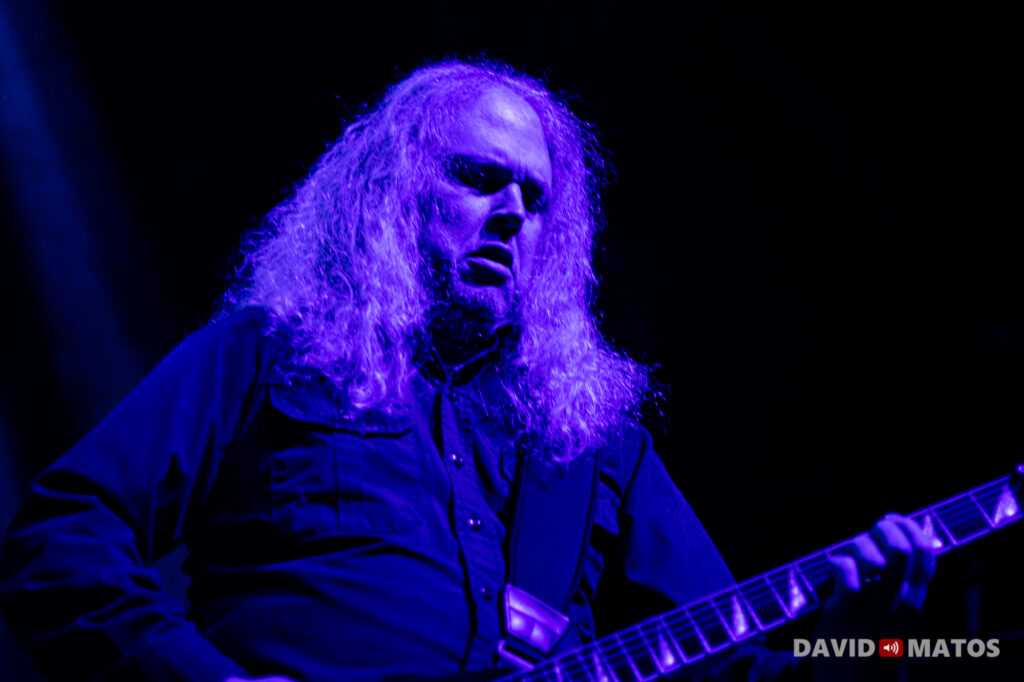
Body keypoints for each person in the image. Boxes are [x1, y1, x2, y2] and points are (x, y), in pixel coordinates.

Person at [0, 59, 935, 682]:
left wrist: (864, 646)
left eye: (535, 198)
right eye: (480, 178)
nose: (512, 214)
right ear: (392, 192)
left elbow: (728, 661)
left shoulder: (591, 441)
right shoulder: (273, 351)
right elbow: (62, 541)